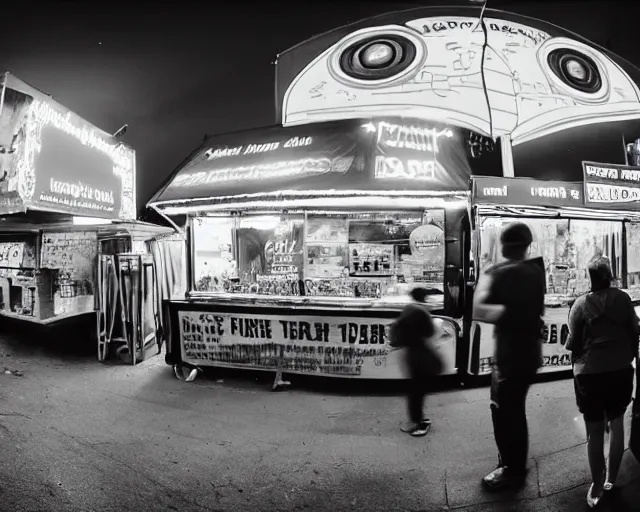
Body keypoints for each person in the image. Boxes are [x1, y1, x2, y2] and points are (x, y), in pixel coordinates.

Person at [473, 222, 546, 490]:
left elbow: (479, 310)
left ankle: (512, 470)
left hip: (511, 356)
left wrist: (485, 277)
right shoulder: (535, 271)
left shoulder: (505, 273)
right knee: (514, 411)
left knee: (507, 414)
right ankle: (513, 463)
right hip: (527, 354)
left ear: (504, 245)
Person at [566, 257, 639, 508]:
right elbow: (634, 331)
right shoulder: (623, 299)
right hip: (620, 369)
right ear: (611, 276)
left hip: (590, 372)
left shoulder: (579, 305)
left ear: (590, 277)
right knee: (616, 423)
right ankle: (610, 481)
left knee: (594, 431)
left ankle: (596, 486)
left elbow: (572, 343)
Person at [390, 286, 443, 437]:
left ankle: (418, 422)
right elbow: (430, 332)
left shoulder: (409, 309)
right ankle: (419, 420)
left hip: (414, 355)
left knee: (415, 391)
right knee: (417, 391)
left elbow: (399, 330)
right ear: (424, 297)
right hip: (421, 354)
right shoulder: (423, 312)